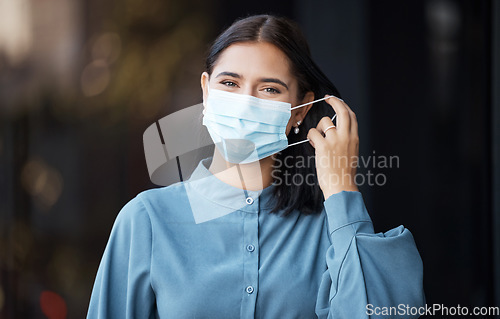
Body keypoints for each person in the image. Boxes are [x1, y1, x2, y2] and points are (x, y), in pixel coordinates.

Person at [87, 14, 425, 318]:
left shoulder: (332, 229)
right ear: (206, 91)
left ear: (301, 110)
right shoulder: (146, 220)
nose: (245, 103)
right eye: (230, 83)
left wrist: (342, 191)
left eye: (269, 89)